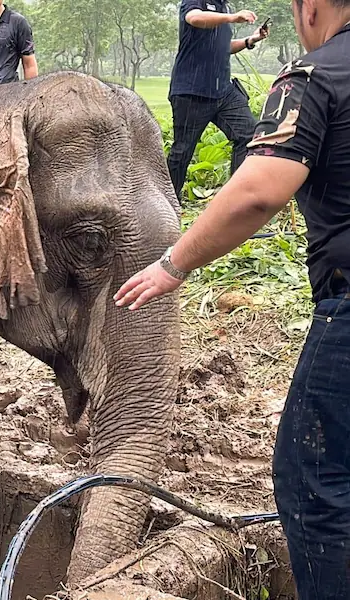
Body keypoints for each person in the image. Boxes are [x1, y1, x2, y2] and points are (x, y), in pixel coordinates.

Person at [114, 0, 350, 596]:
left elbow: (257, 192)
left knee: (313, 477)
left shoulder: (314, 76)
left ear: (313, 6)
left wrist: (173, 263)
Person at [167, 0, 269, 203]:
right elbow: (194, 18)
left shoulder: (224, 7)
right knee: (182, 151)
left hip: (224, 91)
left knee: (249, 135)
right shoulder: (197, 2)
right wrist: (233, 18)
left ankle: (235, 204)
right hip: (192, 91)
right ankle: (167, 205)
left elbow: (223, 47)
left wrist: (251, 40)